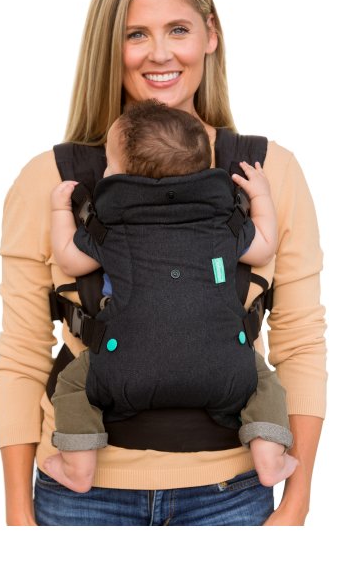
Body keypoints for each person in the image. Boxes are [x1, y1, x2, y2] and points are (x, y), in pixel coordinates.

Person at [0, 0, 326, 526]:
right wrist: (18, 516)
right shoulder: (50, 180)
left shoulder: (268, 173)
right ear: (109, 48)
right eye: (135, 35)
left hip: (231, 493)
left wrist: (295, 505)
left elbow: (299, 343)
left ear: (210, 35)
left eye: (178, 29)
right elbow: (22, 354)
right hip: (83, 501)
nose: (160, 53)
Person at [44, 100, 298, 493]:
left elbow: (68, 258)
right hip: (224, 368)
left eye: (109, 165)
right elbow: (264, 246)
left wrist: (60, 210)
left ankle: (78, 466)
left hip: (126, 367)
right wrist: (261, 197)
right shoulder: (221, 222)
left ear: (123, 177)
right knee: (264, 383)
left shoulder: (112, 227)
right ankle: (269, 456)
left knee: (72, 386)